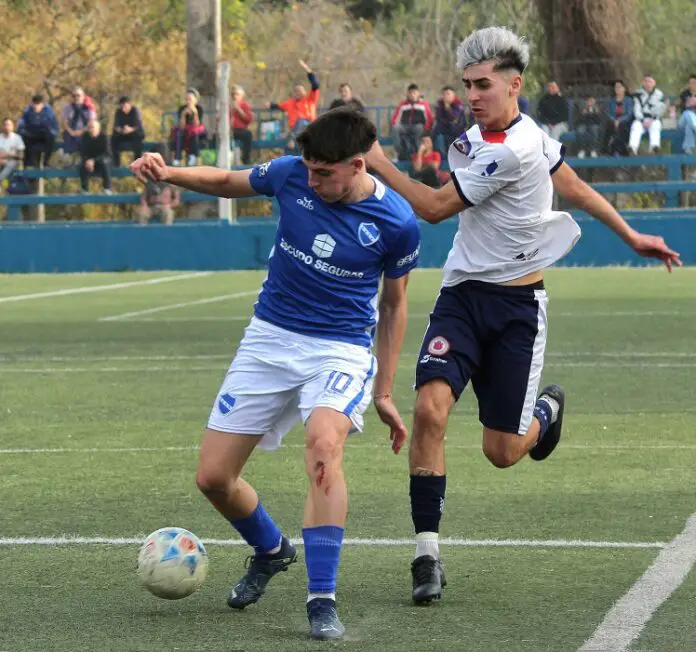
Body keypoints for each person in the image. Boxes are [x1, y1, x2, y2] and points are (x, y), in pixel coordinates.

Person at [365, 26, 681, 605]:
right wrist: (632, 234)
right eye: (467, 85)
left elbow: (434, 208)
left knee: (503, 452)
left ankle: (545, 411)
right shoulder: (498, 137)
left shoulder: (516, 147)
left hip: (517, 310)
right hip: (462, 298)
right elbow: (573, 186)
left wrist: (379, 161)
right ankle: (426, 556)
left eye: (483, 85)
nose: (472, 95)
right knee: (429, 410)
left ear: (514, 85)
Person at [131, 108, 421, 639]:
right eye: (308, 170)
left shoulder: (397, 223)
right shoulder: (290, 173)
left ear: (358, 166)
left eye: (324, 173)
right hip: (269, 339)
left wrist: (384, 391)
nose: (311, 181)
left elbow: (395, 305)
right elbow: (226, 181)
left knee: (323, 448)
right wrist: (168, 172)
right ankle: (270, 550)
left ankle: (321, 599)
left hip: (339, 349)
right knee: (213, 478)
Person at [266, 59, 320, 153]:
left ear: (304, 91)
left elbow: (315, 84)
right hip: (295, 131)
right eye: (296, 91)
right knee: (290, 147)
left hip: (309, 127)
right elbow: (278, 106)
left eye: (300, 90)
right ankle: (290, 147)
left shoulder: (310, 99)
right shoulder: (289, 102)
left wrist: (307, 70)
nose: (298, 92)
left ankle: (292, 140)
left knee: (301, 121)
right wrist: (270, 105)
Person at [172, 88, 206, 166]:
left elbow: (197, 125)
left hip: (197, 131)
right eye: (187, 99)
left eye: (190, 99)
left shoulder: (199, 109)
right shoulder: (182, 108)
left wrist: (195, 113)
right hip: (185, 130)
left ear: (195, 100)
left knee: (194, 133)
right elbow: (181, 126)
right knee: (178, 133)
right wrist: (183, 115)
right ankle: (177, 157)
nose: (188, 101)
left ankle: (192, 156)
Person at [79, 120, 112, 194]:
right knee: (81, 165)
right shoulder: (85, 136)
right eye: (89, 127)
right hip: (89, 161)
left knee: (105, 163)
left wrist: (93, 160)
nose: (91, 129)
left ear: (98, 128)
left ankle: (107, 188)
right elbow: (82, 152)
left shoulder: (104, 137)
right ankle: (84, 190)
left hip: (101, 160)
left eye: (92, 127)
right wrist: (87, 161)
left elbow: (106, 153)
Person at [111, 96, 145, 168]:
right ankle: (116, 164)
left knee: (137, 140)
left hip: (135, 133)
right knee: (113, 139)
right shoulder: (118, 111)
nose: (123, 108)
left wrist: (129, 129)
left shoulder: (135, 110)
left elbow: (137, 125)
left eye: (125, 106)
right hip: (123, 133)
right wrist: (121, 130)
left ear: (129, 105)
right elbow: (116, 126)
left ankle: (137, 164)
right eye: (121, 106)